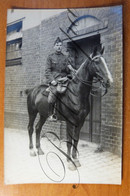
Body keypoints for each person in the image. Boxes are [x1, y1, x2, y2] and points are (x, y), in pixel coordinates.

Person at [45, 37, 73, 121]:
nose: (59, 47)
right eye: (57, 45)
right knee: (54, 93)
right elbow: (47, 71)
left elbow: (68, 70)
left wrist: (70, 70)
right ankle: (51, 114)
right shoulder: (50, 57)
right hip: (55, 80)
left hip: (64, 80)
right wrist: (52, 80)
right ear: (54, 46)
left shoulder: (65, 57)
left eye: (60, 45)